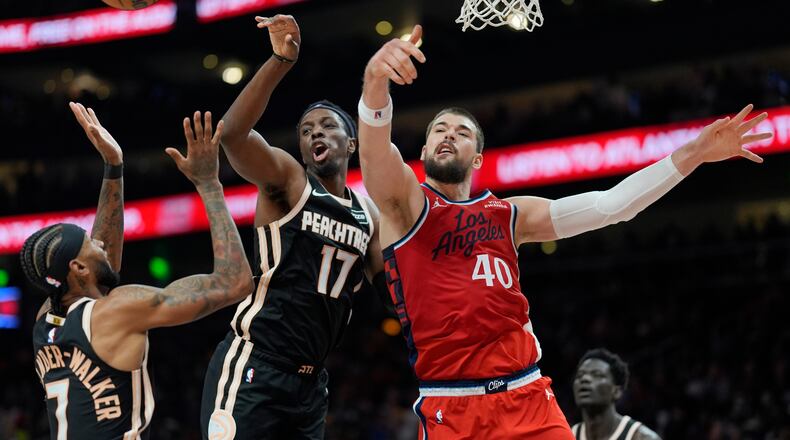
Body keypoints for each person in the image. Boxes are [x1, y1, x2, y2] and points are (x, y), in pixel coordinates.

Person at [356, 24, 772, 439]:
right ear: (425, 151)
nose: (449, 135)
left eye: (462, 133)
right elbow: (375, 151)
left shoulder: (509, 213)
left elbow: (613, 206)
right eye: (439, 131)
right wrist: (376, 81)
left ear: (478, 157)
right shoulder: (407, 204)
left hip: (528, 398)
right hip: (453, 406)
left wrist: (695, 152)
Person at [199, 15, 384, 440]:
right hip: (255, 364)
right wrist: (279, 61)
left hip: (310, 383)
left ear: (350, 143)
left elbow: (394, 298)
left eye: (326, 126)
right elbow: (232, 137)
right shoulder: (289, 180)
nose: (314, 132)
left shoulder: (367, 214)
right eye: (305, 130)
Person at [23, 103, 253, 439]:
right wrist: (209, 184)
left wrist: (113, 166)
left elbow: (102, 265)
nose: (100, 242)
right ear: (78, 267)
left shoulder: (46, 320)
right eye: (89, 242)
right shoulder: (118, 309)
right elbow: (235, 283)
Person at [572, 349, 661, 440]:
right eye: (580, 375)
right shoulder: (567, 436)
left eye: (597, 375)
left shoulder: (642, 437)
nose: (584, 379)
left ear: (616, 391)